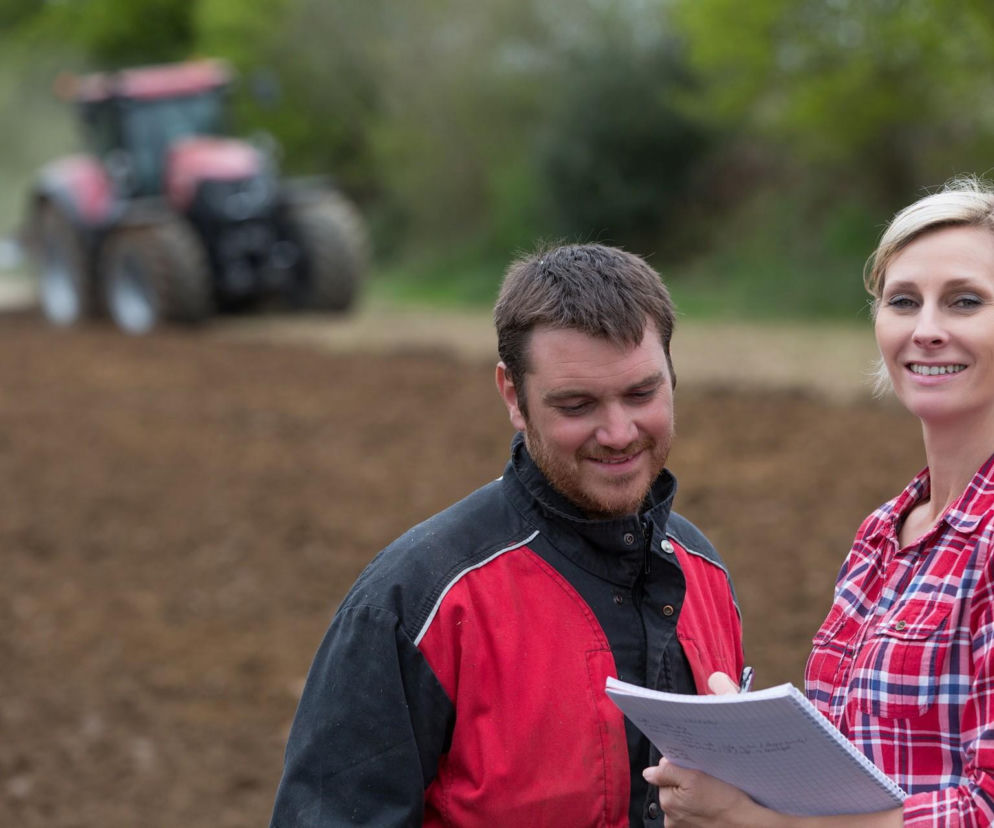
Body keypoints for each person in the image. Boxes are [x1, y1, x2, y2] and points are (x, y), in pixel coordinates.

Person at [269, 242, 746, 827]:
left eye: (641, 394)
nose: (619, 432)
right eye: (577, 404)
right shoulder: (416, 603)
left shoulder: (705, 574)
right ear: (513, 396)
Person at [644, 176, 994, 826]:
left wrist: (764, 823)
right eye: (903, 301)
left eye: (965, 302)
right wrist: (741, 754)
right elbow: (843, 765)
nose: (927, 330)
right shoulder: (881, 533)